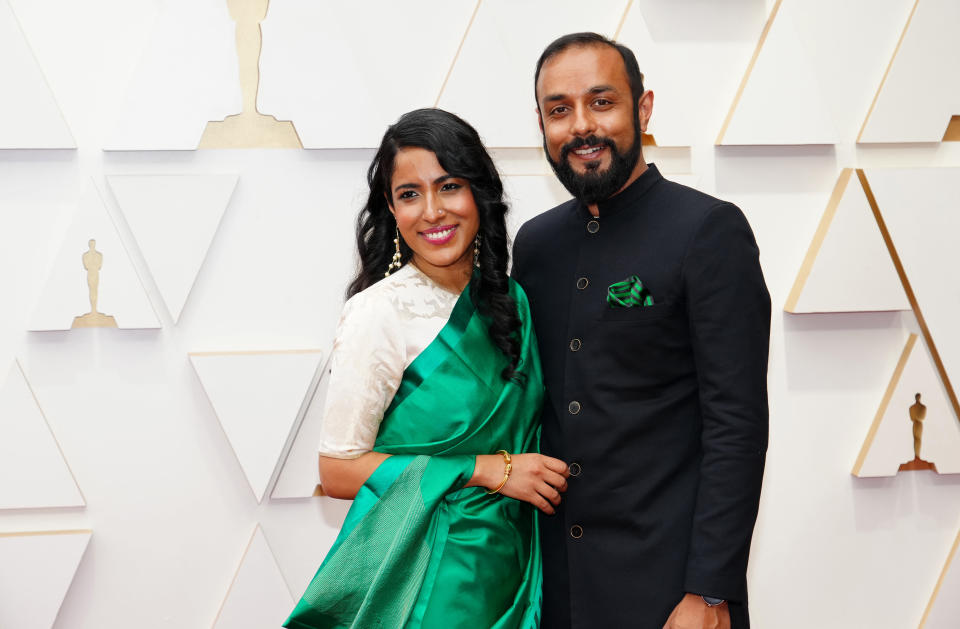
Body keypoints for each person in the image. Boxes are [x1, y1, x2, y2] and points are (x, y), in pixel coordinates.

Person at [511, 33, 771, 629]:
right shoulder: (536, 245)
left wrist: (709, 591)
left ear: (643, 108)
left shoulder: (708, 231)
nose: (581, 126)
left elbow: (737, 424)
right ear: (542, 124)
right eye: (559, 110)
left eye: (602, 102)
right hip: (554, 584)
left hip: (670, 589)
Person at [284, 108, 569, 629]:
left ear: (479, 194)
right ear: (391, 211)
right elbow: (338, 470)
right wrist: (488, 469)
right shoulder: (380, 312)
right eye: (409, 194)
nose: (432, 211)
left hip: (514, 568)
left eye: (449, 186)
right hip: (426, 581)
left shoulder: (513, 302)